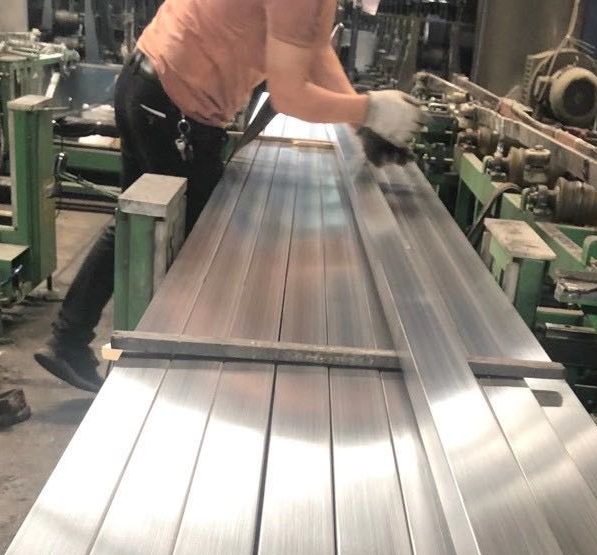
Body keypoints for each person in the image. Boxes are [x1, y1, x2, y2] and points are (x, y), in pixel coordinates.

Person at [35, 0, 422, 391]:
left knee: (136, 226)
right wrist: (370, 110)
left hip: (147, 85)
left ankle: (68, 341)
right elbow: (288, 95)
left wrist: (361, 120)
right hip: (174, 106)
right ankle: (173, 385)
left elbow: (315, 48)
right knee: (200, 252)